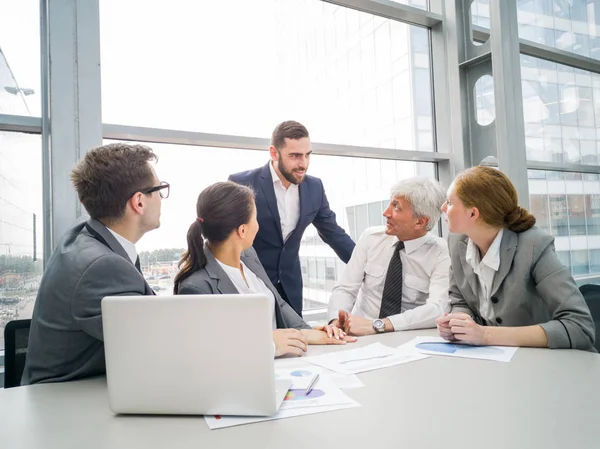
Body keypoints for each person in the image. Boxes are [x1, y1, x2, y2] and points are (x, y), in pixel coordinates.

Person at [22, 143, 166, 385]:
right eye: (160, 190)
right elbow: (154, 347)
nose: (162, 199)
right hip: (66, 404)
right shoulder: (103, 267)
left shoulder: (87, 234)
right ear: (139, 202)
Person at [173, 181, 356, 357]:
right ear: (242, 231)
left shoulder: (248, 255)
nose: (258, 225)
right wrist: (266, 344)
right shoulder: (196, 287)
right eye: (255, 218)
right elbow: (205, 351)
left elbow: (278, 303)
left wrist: (309, 333)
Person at [436, 165, 595, 350]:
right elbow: (459, 299)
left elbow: (580, 326)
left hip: (550, 362)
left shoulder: (534, 245)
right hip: (495, 362)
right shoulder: (457, 241)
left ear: (473, 213)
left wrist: (485, 335)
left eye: (449, 202)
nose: (443, 207)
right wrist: (459, 323)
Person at [228, 121, 355, 316]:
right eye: (295, 156)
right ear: (274, 153)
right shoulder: (242, 183)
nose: (303, 163)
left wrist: (364, 266)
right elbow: (226, 239)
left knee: (295, 342)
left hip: (291, 287)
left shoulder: (314, 187)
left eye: (307, 155)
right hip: (250, 285)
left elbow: (333, 234)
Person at [327, 178, 450, 336]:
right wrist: (335, 320)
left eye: (396, 207)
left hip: (405, 338)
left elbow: (438, 308)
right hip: (359, 335)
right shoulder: (370, 238)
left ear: (420, 222)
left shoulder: (441, 252)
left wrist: (378, 325)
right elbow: (346, 288)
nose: (386, 213)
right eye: (390, 203)